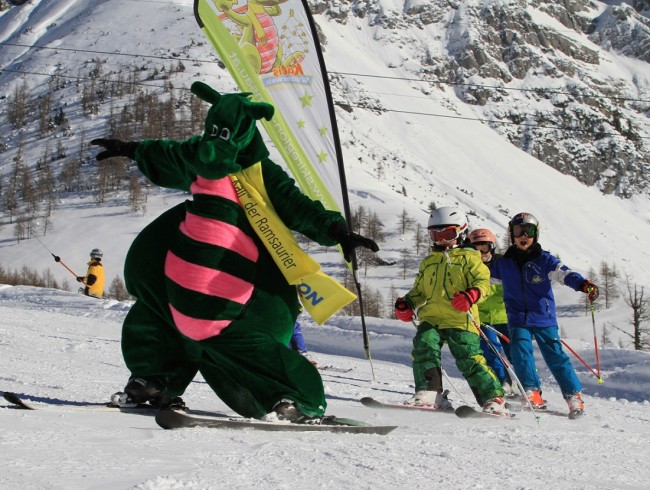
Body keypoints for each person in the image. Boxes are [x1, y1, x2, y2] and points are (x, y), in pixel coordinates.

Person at [91, 82, 378, 422]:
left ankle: (291, 396)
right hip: (194, 252)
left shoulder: (259, 173)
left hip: (253, 269)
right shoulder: (201, 157)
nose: (216, 144)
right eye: (214, 132)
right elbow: (170, 157)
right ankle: (154, 380)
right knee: (160, 306)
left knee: (250, 333)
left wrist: (336, 230)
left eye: (225, 134)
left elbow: (295, 205)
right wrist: (133, 149)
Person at [394, 206, 509, 415]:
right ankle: (430, 392)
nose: (441, 239)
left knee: (468, 357)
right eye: (435, 234)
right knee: (423, 347)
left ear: (461, 232)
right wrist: (407, 303)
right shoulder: (429, 262)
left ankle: (494, 398)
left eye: (447, 234)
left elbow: (483, 283)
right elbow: (420, 290)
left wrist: (471, 295)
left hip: (461, 318)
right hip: (433, 317)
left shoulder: (471, 258)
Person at [489, 212, 599, 415]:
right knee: (520, 354)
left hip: (542, 317)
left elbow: (565, 274)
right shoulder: (504, 264)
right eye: (518, 231)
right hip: (517, 317)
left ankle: (573, 396)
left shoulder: (544, 260)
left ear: (535, 234)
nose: (523, 235)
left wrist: (583, 284)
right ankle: (532, 391)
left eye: (528, 231)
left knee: (555, 356)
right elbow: (481, 277)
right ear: (512, 234)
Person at [467, 228, 515, 396]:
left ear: (492, 247)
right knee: (490, 350)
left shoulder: (502, 264)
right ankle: (503, 382)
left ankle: (528, 384)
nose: (480, 253)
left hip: (505, 315)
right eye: (476, 249)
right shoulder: (469, 266)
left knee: (515, 351)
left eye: (484, 248)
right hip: (482, 316)